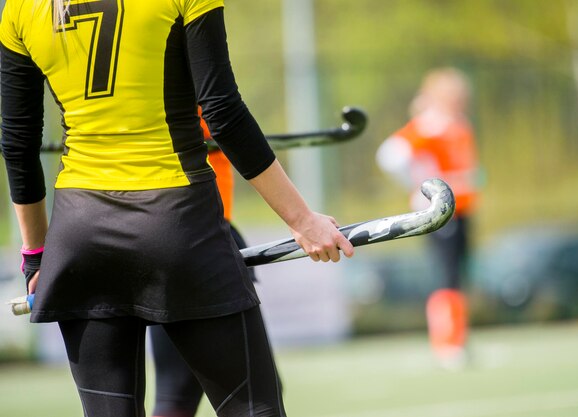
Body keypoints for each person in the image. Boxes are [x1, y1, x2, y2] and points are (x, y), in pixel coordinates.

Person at [0, 1, 354, 417]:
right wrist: (302, 220)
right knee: (254, 408)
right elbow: (223, 113)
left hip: (79, 233)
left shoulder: (20, 8)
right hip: (176, 224)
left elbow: (17, 143)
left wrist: (37, 256)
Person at [149, 109, 267, 417]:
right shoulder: (188, 70)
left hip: (156, 230)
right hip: (200, 235)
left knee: (176, 395)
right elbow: (226, 115)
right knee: (254, 400)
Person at [376, 67, 480, 370]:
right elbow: (390, 156)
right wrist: (421, 187)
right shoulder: (429, 127)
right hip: (443, 214)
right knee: (446, 277)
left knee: (458, 277)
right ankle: (446, 344)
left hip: (465, 211)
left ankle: (458, 339)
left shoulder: (458, 125)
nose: (460, 99)